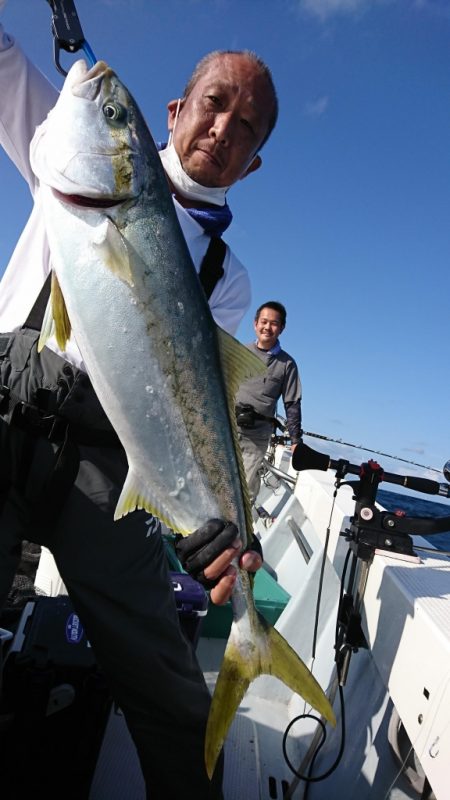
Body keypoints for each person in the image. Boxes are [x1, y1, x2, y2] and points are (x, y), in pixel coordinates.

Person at [0, 16, 278, 800]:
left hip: (112, 470)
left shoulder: (225, 275)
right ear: (175, 111)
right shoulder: (73, 143)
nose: (224, 129)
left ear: (254, 163)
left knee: (173, 702)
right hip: (6, 406)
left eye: (247, 127)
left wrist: (212, 525)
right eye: (215, 104)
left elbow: (190, 404)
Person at [236, 301, 302, 504]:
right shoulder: (239, 352)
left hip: (256, 435)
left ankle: (240, 523)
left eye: (274, 323)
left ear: (281, 328)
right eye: (263, 322)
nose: (267, 327)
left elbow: (292, 403)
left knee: (245, 487)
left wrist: (295, 440)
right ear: (255, 324)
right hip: (227, 426)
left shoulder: (287, 364)